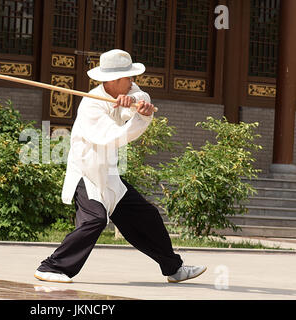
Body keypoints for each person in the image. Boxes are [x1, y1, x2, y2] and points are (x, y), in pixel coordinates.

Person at [34, 49, 206, 284]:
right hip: (87, 173)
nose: (133, 82)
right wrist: (139, 117)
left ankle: (173, 268)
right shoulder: (91, 106)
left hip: (110, 175)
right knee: (95, 219)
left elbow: (142, 96)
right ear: (114, 81)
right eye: (129, 78)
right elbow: (115, 136)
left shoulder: (127, 90)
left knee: (147, 216)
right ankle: (51, 267)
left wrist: (137, 104)